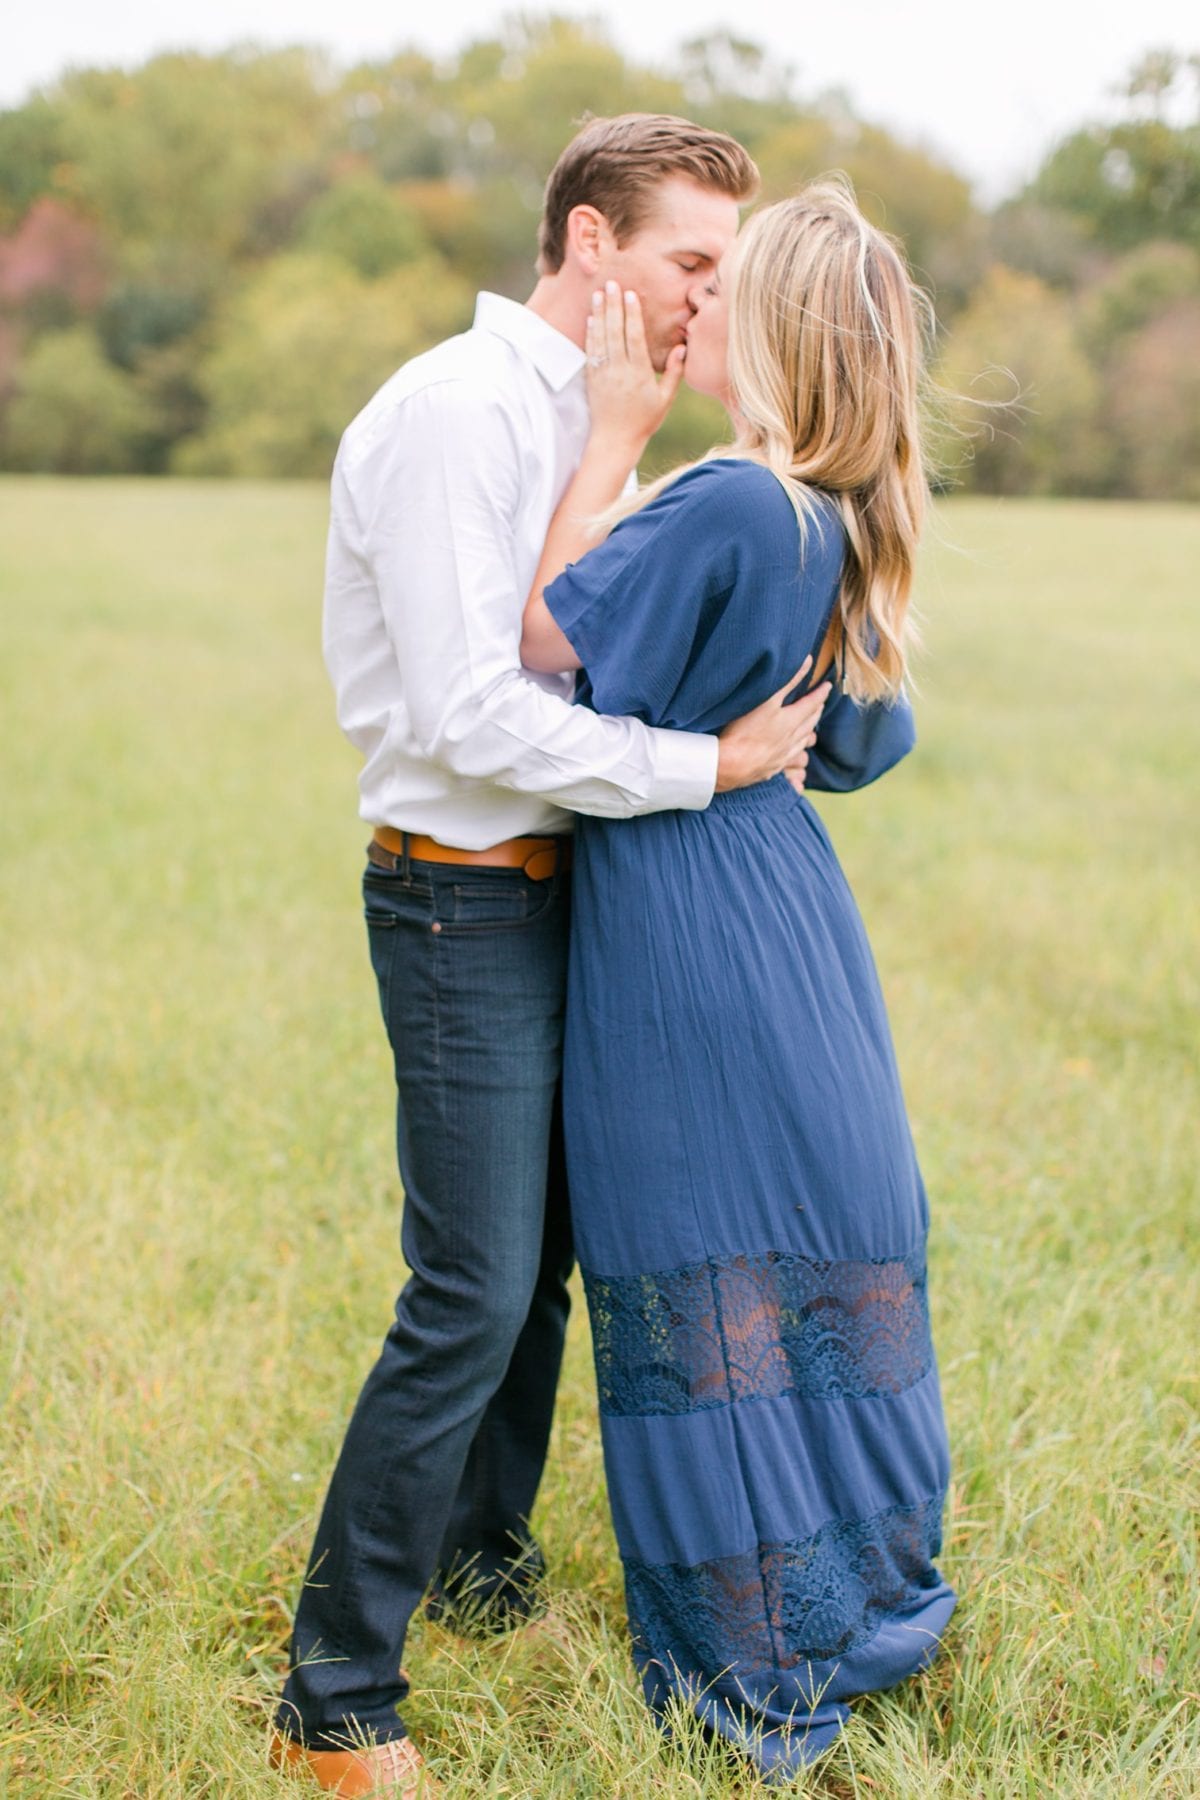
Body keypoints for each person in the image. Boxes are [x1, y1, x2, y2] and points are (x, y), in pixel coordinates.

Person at [271, 116, 832, 1799]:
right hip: (460, 895)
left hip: (574, 899)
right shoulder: (456, 414)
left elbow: (613, 647)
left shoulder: (608, 422)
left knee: (543, 1276)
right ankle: (334, 1697)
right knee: (466, 1294)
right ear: (590, 245)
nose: (705, 302)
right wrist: (706, 769)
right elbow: (470, 709)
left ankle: (484, 1569)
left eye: (724, 276)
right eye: (688, 268)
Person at [520, 181, 957, 1781]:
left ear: (775, 329)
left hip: (686, 913)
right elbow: (860, 749)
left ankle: (754, 1638)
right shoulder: (838, 511)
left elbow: (547, 636)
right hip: (790, 908)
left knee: (701, 1259)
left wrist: (610, 433)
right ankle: (859, 1592)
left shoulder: (727, 500)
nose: (692, 307)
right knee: (803, 1258)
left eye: (725, 284)